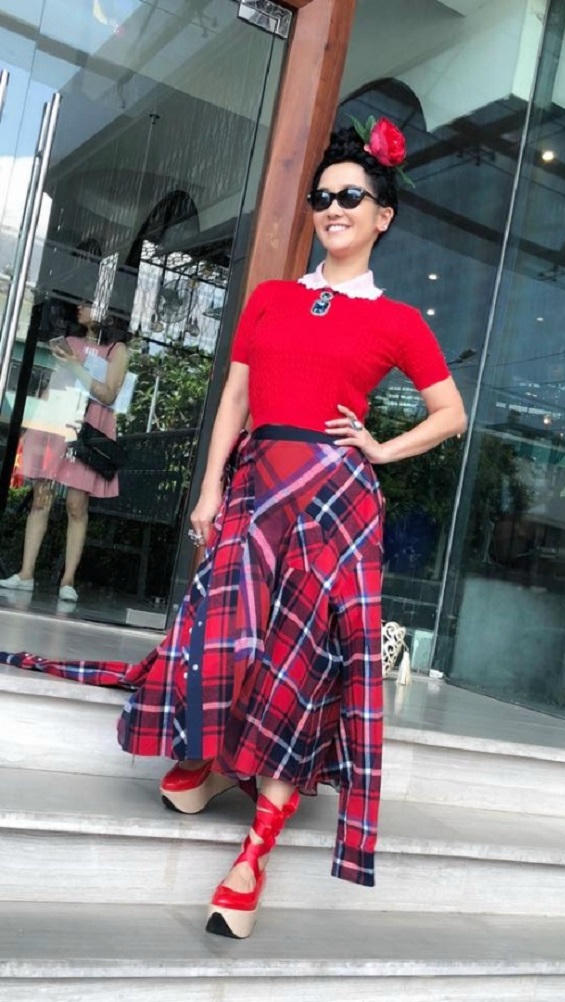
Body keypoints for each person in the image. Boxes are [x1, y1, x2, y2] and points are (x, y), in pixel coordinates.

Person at [0, 119, 467, 939]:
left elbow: (450, 413)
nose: (332, 208)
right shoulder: (273, 298)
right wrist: (211, 486)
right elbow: (237, 399)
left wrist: (381, 448)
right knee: (225, 635)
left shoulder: (396, 319)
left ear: (382, 215)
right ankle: (220, 764)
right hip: (256, 486)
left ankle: (253, 856)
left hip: (334, 501)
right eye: (322, 196)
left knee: (299, 662)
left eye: (350, 196)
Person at [0, 302, 130, 603]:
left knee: (76, 504)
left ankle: (68, 579)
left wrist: (75, 365)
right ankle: (26, 573)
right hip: (57, 421)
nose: (80, 307)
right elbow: (55, 386)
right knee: (41, 498)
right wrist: (36, 426)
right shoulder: (71, 341)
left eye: (89, 303)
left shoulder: (117, 350)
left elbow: (109, 393)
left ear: (108, 311)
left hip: (87, 430)